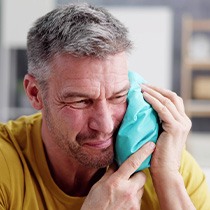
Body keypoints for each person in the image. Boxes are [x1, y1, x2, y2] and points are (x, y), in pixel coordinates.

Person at [0, 3, 209, 210]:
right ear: (35, 93)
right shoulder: (6, 162)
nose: (106, 125)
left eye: (117, 96)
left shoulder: (166, 161)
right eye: (81, 101)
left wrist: (168, 178)